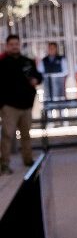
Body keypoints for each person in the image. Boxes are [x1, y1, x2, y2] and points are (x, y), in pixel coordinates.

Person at [0, 35, 41, 175]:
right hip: (9, 107)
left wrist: (36, 80)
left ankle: (28, 160)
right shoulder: (2, 63)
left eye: (16, 44)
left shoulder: (27, 62)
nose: (14, 46)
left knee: (26, 135)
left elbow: (38, 76)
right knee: (7, 136)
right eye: (11, 44)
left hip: (26, 105)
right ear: (7, 46)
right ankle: (4, 164)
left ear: (20, 45)